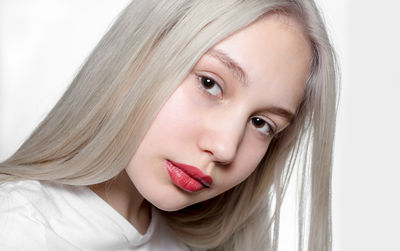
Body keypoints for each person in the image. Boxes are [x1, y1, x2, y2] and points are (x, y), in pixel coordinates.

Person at [0, 0, 338, 250]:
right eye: (209, 83)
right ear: (137, 58)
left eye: (262, 123)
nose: (224, 148)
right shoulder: (18, 230)